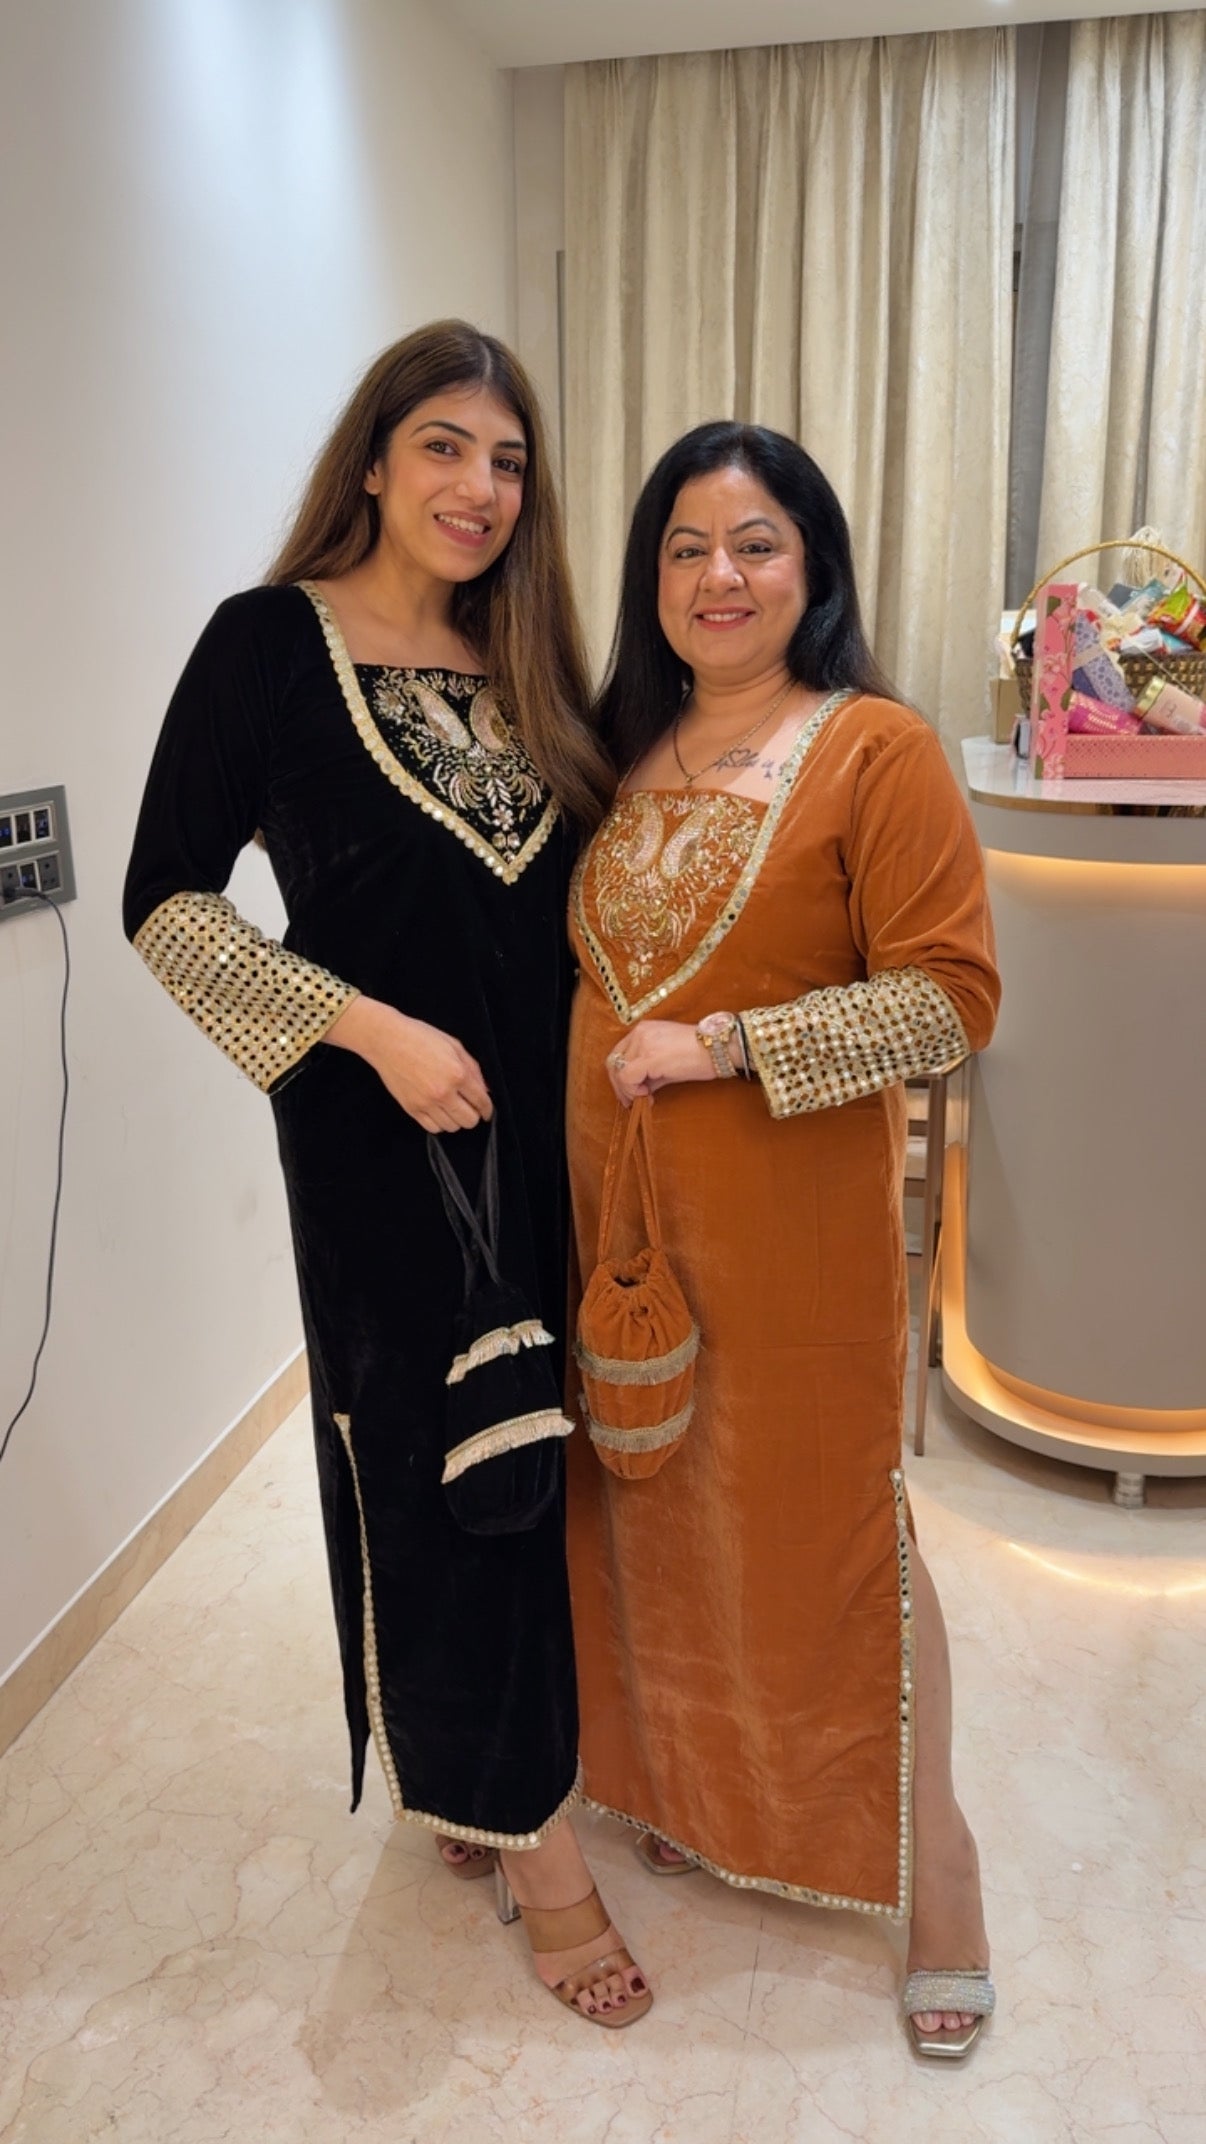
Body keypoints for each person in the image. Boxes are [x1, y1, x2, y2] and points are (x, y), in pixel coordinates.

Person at [124, 321, 651, 2029]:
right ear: (370, 457)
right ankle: (538, 1854)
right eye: (442, 445)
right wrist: (366, 1031)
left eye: (507, 461)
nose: (478, 488)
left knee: (536, 1456)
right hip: (383, 1146)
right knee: (444, 1474)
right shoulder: (267, 644)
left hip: (545, 1142)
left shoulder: (525, 660)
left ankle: (477, 1770)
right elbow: (165, 905)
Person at [565, 421, 1001, 2058]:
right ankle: (696, 1795)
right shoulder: (617, 747)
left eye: (754, 544)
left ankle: (937, 1875)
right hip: (618, 1224)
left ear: (809, 567)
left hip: (791, 1236)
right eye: (684, 547)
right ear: (649, 580)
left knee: (832, 1539)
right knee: (654, 1521)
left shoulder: (871, 749)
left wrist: (729, 1044)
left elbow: (951, 1000)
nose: (718, 577)